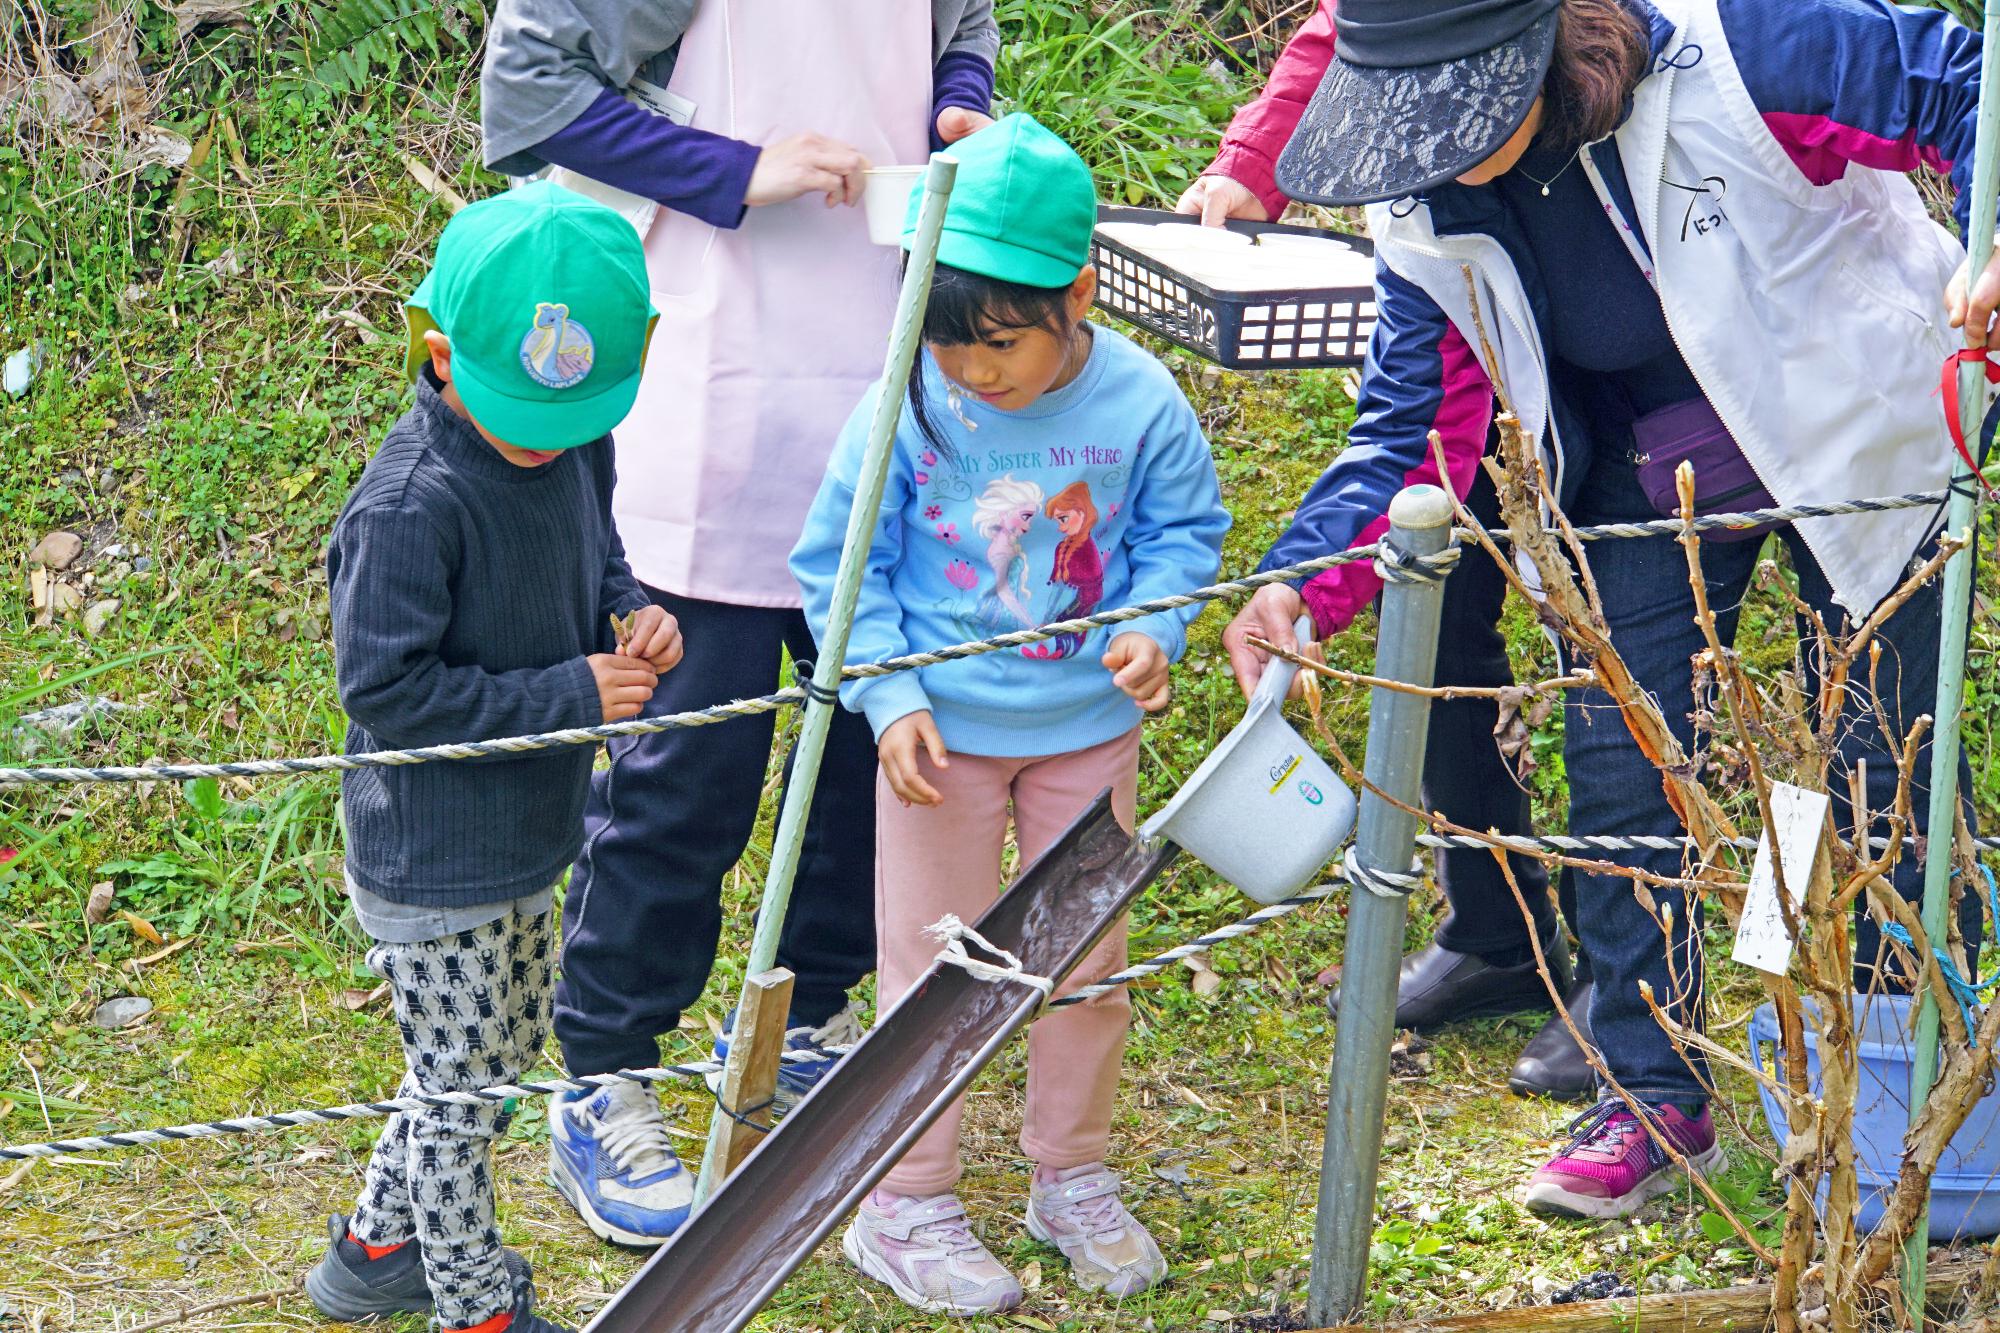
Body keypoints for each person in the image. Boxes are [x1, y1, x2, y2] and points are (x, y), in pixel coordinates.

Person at [1223, 0, 1990, 1219]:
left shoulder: (1741, 47)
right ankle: (1647, 1091)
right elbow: (1409, 418)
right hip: (1632, 477)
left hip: (1854, 438)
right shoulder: (1427, 193)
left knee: (1850, 760)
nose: (1425, 140)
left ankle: (1855, 1042)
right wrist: (1302, 581)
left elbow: (1964, 75)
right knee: (1626, 771)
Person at [478, 0, 1000, 1244]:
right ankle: (605, 1074)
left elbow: (960, 25)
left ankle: (808, 1016)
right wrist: (738, 170)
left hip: (880, 358)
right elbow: (532, 92)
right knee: (680, 772)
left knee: (869, 757)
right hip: (709, 375)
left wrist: (956, 109)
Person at [791, 115, 1231, 1315]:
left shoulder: (1140, 405)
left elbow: (1186, 537)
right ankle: (904, 1198)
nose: (971, 373)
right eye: (946, 344)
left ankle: (1068, 1175)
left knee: (1085, 968)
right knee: (928, 965)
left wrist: (1157, 626)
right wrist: (885, 697)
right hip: (935, 736)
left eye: (995, 345)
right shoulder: (910, 400)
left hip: (1085, 733)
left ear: (1075, 295)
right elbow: (840, 562)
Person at [1184, 0, 1592, 1103]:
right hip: (1474, 255)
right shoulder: (1412, 159)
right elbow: (1350, 28)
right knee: (1435, 607)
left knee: (1633, 654)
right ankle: (1498, 928)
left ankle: (1641, 975)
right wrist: (1254, 161)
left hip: (1635, 329)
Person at [307, 182, 681, 1333]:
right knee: (467, 1099)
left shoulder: (576, 441)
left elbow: (594, 550)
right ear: (436, 352)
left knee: (480, 1063)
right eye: (519, 411)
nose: (546, 441)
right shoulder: (409, 507)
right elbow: (385, 688)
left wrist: (628, 611)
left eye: (571, 420)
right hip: (435, 855)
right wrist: (570, 690)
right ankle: (471, 1307)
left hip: (531, 823)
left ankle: (374, 1248)